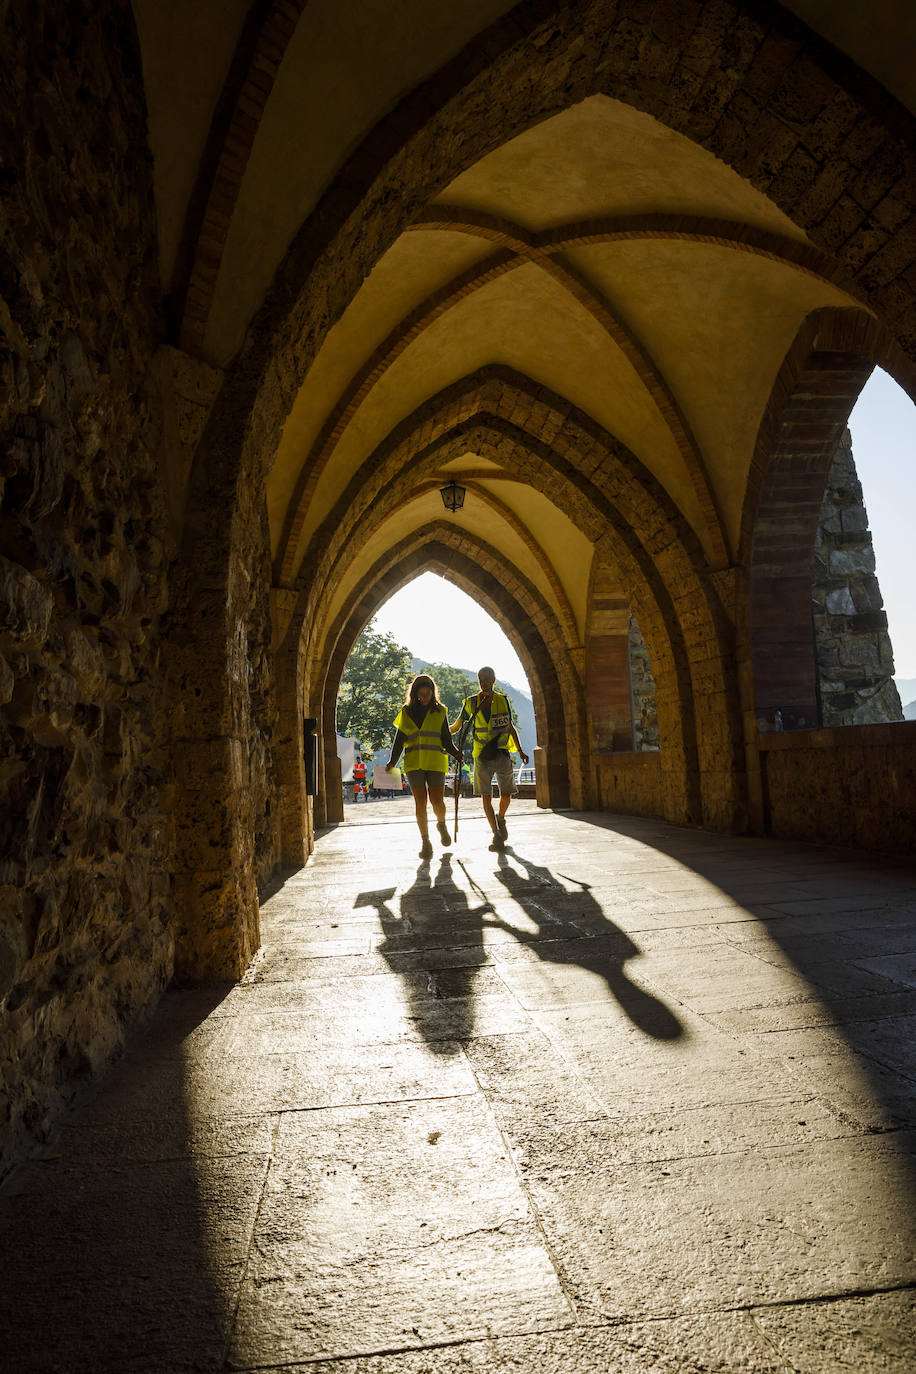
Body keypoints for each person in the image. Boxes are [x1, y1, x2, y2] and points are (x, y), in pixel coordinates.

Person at [452, 666, 529, 851]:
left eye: (486, 678)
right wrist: (439, 731)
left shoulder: (503, 700)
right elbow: (456, 727)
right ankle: (496, 835)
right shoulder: (470, 703)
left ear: (494, 680)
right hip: (481, 756)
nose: (483, 682)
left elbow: (510, 727)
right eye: (480, 679)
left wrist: (520, 751)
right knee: (486, 797)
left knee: (506, 794)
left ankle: (501, 818)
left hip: (502, 753)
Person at [386, 674, 462, 859]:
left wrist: (457, 753)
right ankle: (425, 842)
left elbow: (446, 739)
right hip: (413, 764)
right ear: (415, 693)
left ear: (432, 692)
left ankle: (441, 824)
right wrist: (392, 762)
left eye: (428, 693)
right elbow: (399, 741)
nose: (425, 696)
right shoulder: (406, 711)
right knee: (420, 802)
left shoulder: (440, 711)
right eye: (421, 694)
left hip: (435, 762)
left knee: (438, 802)